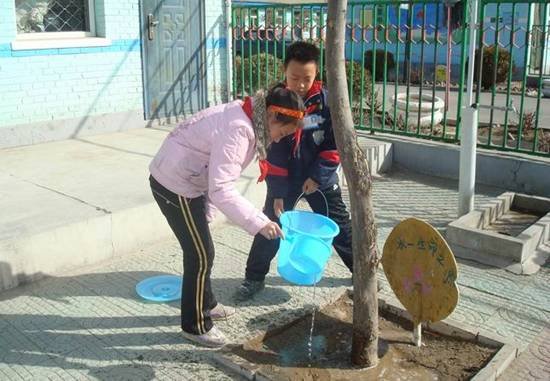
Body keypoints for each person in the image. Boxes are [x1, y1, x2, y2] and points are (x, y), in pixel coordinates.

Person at [149, 84, 305, 347]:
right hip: (174, 184)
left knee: (202, 249)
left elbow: (213, 172)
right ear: (271, 116)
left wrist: (205, 210)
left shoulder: (245, 116)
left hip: (189, 179)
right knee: (200, 253)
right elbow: (221, 187)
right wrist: (259, 222)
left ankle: (207, 304)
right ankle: (195, 326)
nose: (278, 139)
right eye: (282, 131)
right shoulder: (239, 129)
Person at [235, 41, 354, 302]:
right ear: (284, 71)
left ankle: (361, 271)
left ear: (317, 74)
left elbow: (335, 145)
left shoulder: (327, 102)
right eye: (294, 77)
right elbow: (272, 150)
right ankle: (253, 278)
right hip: (285, 179)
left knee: (339, 225)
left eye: (307, 78)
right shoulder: (275, 102)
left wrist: (317, 177)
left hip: (319, 178)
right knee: (270, 225)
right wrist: (277, 191)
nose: (300, 84)